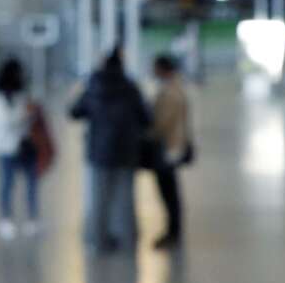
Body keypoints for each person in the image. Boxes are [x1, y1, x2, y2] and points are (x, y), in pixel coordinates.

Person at [68, 48, 150, 253]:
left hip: (98, 152)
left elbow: (74, 112)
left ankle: (97, 241)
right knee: (125, 199)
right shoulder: (130, 87)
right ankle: (128, 242)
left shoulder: (93, 87)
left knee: (98, 200)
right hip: (126, 152)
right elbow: (146, 118)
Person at [0, 56, 41, 239]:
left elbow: (28, 118)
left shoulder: (20, 93)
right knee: (7, 182)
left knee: (32, 182)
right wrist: (24, 113)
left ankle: (32, 218)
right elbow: (4, 121)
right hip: (6, 147)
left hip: (25, 143)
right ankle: (6, 219)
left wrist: (29, 114)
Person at [145, 53, 193, 250]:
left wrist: (147, 132)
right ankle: (173, 231)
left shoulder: (170, 92)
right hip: (172, 145)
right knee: (169, 191)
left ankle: (173, 232)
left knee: (169, 192)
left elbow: (162, 122)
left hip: (168, 148)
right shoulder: (174, 88)